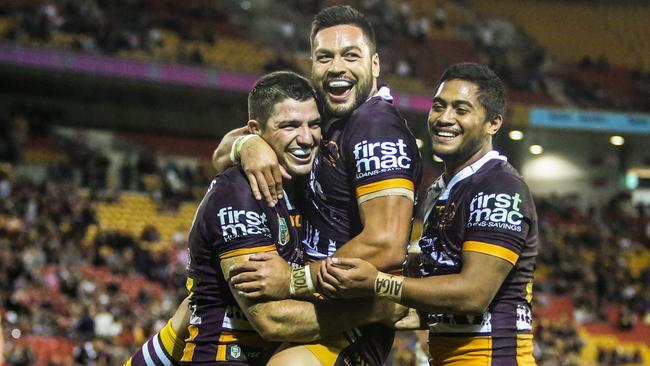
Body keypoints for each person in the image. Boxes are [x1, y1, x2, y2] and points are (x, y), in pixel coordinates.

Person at [125, 71, 402, 366]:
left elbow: (187, 312)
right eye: (290, 126)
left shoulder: (306, 179)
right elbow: (270, 320)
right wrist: (374, 310)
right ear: (256, 130)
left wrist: (242, 146)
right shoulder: (240, 193)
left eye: (314, 124)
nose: (306, 138)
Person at [221, 5, 422, 365]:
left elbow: (387, 244)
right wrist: (246, 145)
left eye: (350, 55)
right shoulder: (320, 114)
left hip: (352, 314)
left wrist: (295, 280)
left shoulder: (376, 127)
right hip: (316, 302)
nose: (336, 68)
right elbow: (220, 156)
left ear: (374, 64)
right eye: (324, 57)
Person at [319, 63, 539, 365]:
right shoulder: (442, 189)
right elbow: (439, 279)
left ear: (493, 123)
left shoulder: (499, 187)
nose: (445, 118)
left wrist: (378, 282)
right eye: (439, 106)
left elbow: (473, 293)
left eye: (461, 109)